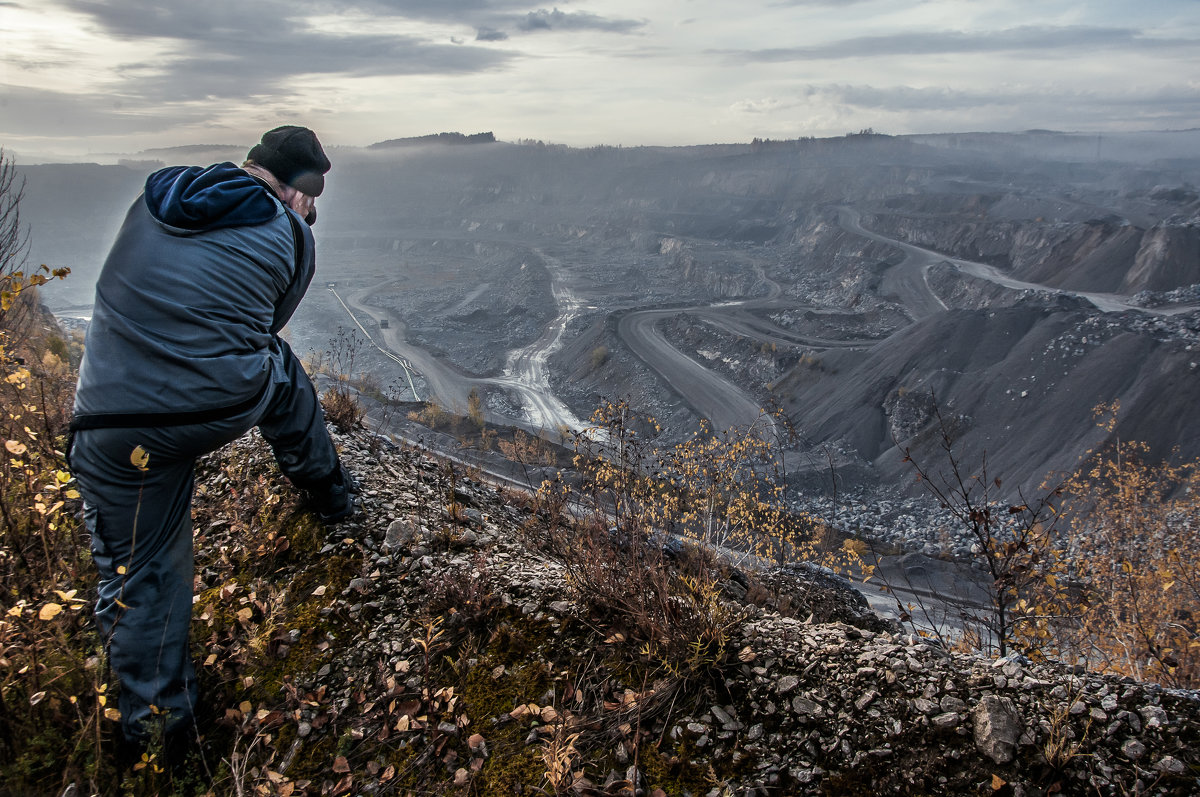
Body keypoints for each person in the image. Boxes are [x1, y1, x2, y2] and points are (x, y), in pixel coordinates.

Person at [69, 125, 358, 757]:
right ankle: (330, 494)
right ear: (298, 190)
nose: (316, 211)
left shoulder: (157, 193)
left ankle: (151, 735)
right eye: (315, 197)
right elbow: (263, 327)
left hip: (102, 421)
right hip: (203, 405)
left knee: (136, 573)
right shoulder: (290, 232)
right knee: (278, 367)